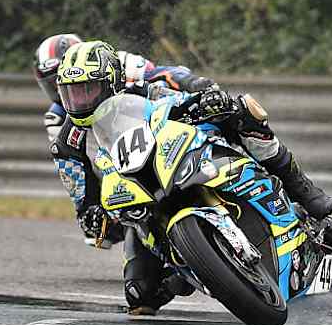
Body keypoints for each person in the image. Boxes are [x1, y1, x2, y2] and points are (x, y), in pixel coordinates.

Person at [52, 40, 332, 315]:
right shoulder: (66, 143)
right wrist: (90, 214)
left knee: (240, 110)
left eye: (87, 90)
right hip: (138, 199)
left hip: (174, 156)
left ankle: (303, 191)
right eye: (71, 93)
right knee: (140, 294)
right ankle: (193, 273)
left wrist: (203, 94)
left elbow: (177, 88)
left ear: (110, 83)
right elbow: (80, 194)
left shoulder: (140, 91)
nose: (79, 101)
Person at [34, 34, 215, 247]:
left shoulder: (118, 62)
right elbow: (73, 169)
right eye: (56, 84)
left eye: (85, 86)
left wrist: (195, 85)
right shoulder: (57, 119)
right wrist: (90, 210)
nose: (75, 93)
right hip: (114, 160)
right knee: (100, 230)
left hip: (156, 120)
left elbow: (165, 74)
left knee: (226, 115)